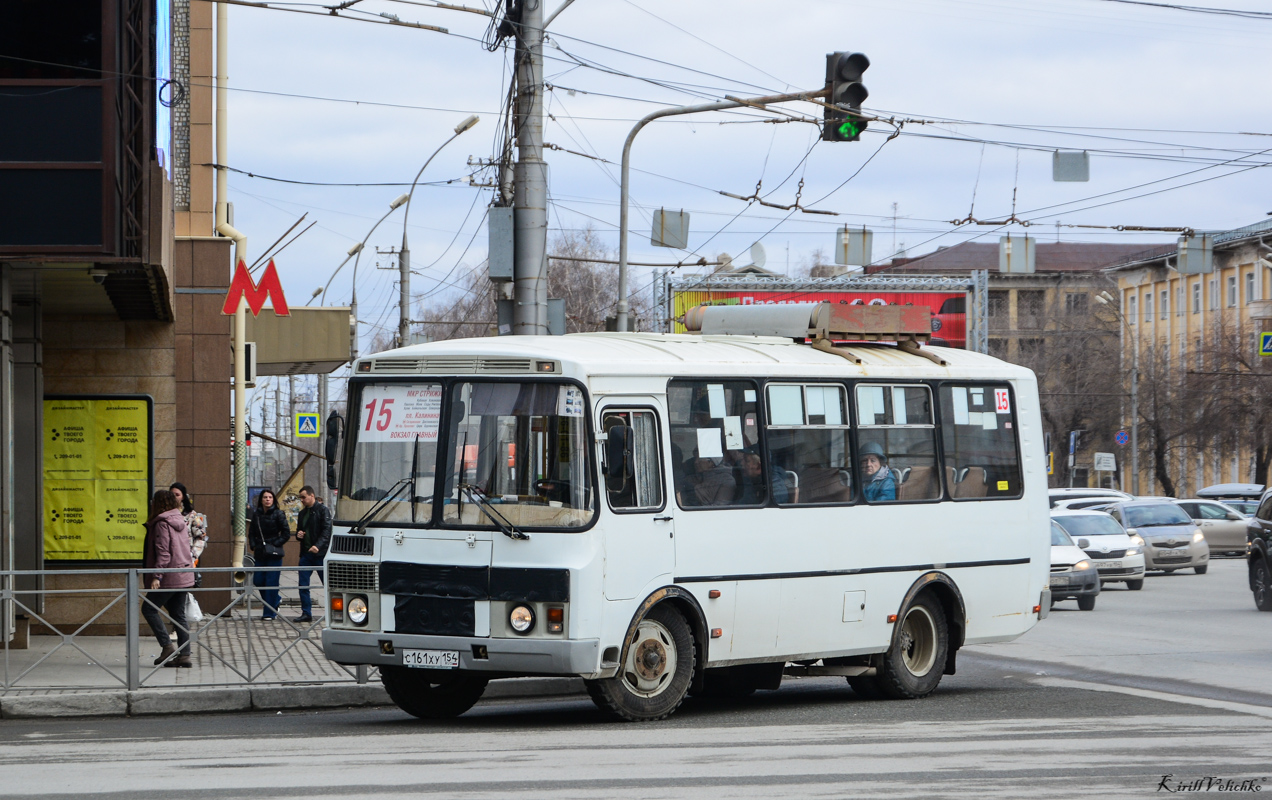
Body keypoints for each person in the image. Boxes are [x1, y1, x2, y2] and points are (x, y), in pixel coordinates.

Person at [141, 489, 194, 668]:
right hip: (183, 574)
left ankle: (167, 646)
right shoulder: (180, 520)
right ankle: (185, 655)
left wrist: (157, 576)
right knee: (178, 614)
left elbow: (163, 552)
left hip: (169, 576)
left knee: (149, 609)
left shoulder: (162, 523)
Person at [248, 488, 290, 620]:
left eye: (270, 497)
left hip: (274, 554)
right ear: (261, 500)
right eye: (265, 497)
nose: (267, 499)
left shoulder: (278, 514)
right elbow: (252, 533)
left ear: (273, 500)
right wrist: (253, 545)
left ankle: (269, 613)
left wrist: (274, 543)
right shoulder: (257, 514)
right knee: (258, 580)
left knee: (271, 583)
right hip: (260, 553)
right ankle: (276, 600)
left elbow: (286, 534)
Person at [294, 485, 332, 623]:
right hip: (306, 554)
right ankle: (306, 613)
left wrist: (318, 545)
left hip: (320, 554)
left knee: (327, 585)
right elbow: (299, 531)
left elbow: (327, 531)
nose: (302, 500)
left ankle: (332, 613)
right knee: (303, 584)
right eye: (300, 498)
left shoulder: (323, 511)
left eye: (303, 497)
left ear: (312, 496)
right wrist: (299, 535)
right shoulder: (302, 513)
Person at [169, 482, 208, 583]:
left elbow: (201, 536)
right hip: (168, 560)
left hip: (186, 559)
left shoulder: (191, 515)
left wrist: (192, 555)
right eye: (171, 494)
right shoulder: (164, 514)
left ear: (183, 497)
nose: (174, 497)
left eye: (177, 495)